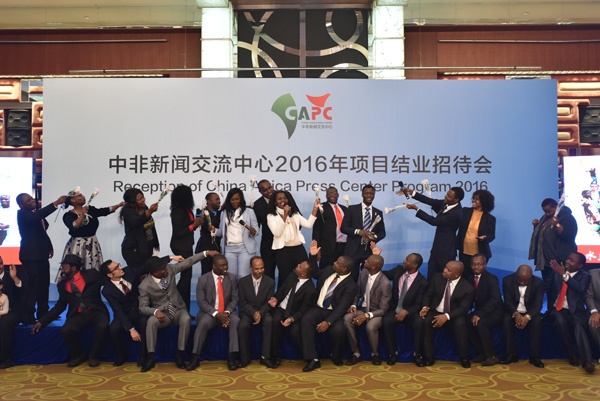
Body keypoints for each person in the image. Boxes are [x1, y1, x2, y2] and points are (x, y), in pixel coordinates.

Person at [138, 251, 215, 372]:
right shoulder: (144, 285)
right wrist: (155, 311)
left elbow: (188, 262)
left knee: (186, 319)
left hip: (178, 309)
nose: (166, 269)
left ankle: (180, 354)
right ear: (155, 272)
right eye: (163, 269)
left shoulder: (169, 269)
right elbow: (142, 307)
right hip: (163, 313)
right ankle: (151, 357)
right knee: (151, 322)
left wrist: (205, 253)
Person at [31, 254, 109, 367]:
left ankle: (94, 355)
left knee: (103, 326)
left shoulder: (92, 274)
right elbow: (60, 306)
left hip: (96, 311)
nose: (62, 270)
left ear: (74, 268)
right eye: (62, 267)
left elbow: (107, 281)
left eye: (64, 268)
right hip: (78, 314)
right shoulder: (62, 285)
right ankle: (78, 355)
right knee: (67, 330)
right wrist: (42, 321)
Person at [301, 241, 357, 372]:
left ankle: (335, 355)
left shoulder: (351, 286)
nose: (334, 263)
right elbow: (314, 273)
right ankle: (313, 359)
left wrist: (328, 322)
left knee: (339, 330)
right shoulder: (328, 270)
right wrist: (313, 256)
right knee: (306, 319)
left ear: (344, 268)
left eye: (337, 263)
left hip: (334, 313)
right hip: (318, 308)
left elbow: (342, 307)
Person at [17, 193, 67, 320]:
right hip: (31, 256)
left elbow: (42, 232)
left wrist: (49, 246)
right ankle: (28, 315)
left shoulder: (34, 214)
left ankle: (43, 312)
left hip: (41, 255)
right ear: (22, 204)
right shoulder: (22, 215)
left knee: (44, 285)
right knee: (33, 286)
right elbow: (38, 216)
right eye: (29, 200)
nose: (32, 200)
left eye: (32, 198)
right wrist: (56, 203)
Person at [188, 255, 240, 371]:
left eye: (226, 265)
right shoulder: (203, 279)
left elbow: (235, 299)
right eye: (222, 265)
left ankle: (232, 357)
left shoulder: (232, 278)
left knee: (236, 321)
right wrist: (216, 314)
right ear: (214, 266)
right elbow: (201, 302)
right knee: (203, 323)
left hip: (227, 312)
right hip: (209, 313)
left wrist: (226, 312)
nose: (225, 267)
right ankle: (195, 356)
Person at [420, 260, 474, 368]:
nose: (444, 270)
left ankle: (464, 357)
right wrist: (425, 307)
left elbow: (463, 308)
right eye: (445, 267)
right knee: (425, 321)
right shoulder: (437, 278)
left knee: (461, 324)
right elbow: (428, 295)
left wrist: (446, 316)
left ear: (456, 274)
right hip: (436, 311)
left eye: (448, 270)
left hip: (453, 314)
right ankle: (429, 356)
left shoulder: (467, 288)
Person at [402, 187, 463, 279]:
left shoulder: (456, 213)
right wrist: (412, 193)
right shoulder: (447, 202)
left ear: (456, 200)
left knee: (443, 277)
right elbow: (430, 201)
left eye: (449, 196)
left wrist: (417, 209)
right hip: (437, 247)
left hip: (447, 249)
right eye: (447, 193)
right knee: (431, 274)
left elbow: (434, 221)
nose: (445, 196)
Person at [548, 252, 594, 373]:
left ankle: (588, 361)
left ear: (580, 266)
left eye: (572, 260)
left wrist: (564, 275)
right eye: (568, 258)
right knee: (559, 321)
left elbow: (580, 289)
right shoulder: (557, 271)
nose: (568, 261)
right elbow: (546, 287)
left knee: (578, 326)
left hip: (575, 312)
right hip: (558, 310)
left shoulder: (584, 276)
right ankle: (572, 355)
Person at [381, 251, 428, 366]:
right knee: (386, 321)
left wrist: (406, 311)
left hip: (411, 311)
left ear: (415, 265)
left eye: (407, 260)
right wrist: (376, 257)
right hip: (395, 308)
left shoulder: (422, 282)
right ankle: (393, 353)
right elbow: (382, 274)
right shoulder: (398, 270)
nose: (404, 261)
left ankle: (417, 354)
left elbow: (418, 304)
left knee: (419, 322)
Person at [343, 253, 391, 366]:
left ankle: (375, 354)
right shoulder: (364, 272)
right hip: (363, 308)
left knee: (370, 326)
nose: (365, 261)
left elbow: (383, 309)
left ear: (374, 266)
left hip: (376, 312)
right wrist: (354, 305)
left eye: (368, 261)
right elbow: (357, 293)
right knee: (347, 318)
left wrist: (367, 315)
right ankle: (356, 353)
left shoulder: (385, 284)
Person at [529, 198, 577, 306]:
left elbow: (569, 236)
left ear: (556, 207)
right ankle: (550, 311)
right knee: (549, 289)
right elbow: (542, 235)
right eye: (545, 211)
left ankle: (559, 312)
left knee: (557, 288)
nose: (547, 214)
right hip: (546, 261)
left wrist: (557, 225)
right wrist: (536, 226)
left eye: (549, 211)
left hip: (559, 260)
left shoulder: (567, 217)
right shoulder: (545, 218)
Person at [268, 258, 317, 365]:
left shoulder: (310, 290)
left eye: (300, 266)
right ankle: (275, 356)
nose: (297, 264)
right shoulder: (292, 275)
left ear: (303, 274)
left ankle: (308, 357)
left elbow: (303, 310)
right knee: (275, 321)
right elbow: (281, 290)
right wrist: (275, 299)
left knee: (295, 332)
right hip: (281, 309)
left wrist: (292, 318)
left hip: (295, 314)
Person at [267, 190, 319, 288]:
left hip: (298, 249)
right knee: (285, 277)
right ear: (275, 202)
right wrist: (285, 215)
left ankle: (303, 296)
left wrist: (315, 209)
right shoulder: (271, 216)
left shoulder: (295, 213)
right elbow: (277, 233)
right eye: (279, 199)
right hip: (283, 251)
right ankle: (283, 297)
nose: (283, 200)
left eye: (284, 198)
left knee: (304, 274)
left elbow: (308, 225)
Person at [101, 259, 148, 367]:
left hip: (139, 310)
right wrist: (131, 329)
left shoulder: (129, 271)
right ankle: (121, 355)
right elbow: (118, 310)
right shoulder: (107, 290)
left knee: (145, 322)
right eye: (116, 268)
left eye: (118, 265)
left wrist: (170, 257)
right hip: (124, 313)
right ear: (109, 275)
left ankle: (143, 356)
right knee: (114, 328)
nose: (120, 268)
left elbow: (146, 266)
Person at [62, 193, 124, 272]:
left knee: (92, 265)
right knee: (76, 265)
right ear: (73, 200)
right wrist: (83, 214)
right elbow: (74, 226)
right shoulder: (68, 215)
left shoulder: (90, 210)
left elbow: (105, 211)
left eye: (83, 195)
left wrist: (119, 205)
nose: (84, 197)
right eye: (80, 196)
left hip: (92, 242)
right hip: (77, 245)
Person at [501, 264, 544, 368]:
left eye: (526, 282)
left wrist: (528, 317)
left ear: (531, 277)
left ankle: (535, 356)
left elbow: (538, 305)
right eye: (520, 280)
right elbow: (508, 301)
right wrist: (515, 313)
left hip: (530, 312)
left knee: (537, 321)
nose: (522, 283)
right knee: (506, 320)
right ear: (516, 274)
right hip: (513, 310)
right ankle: (511, 354)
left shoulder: (538, 283)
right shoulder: (507, 280)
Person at [340, 185, 386, 280]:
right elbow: (343, 228)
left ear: (374, 195)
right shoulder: (352, 209)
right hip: (353, 250)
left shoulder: (378, 213)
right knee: (351, 278)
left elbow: (382, 232)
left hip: (369, 251)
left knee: (368, 279)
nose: (369, 195)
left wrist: (374, 237)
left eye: (371, 193)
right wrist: (358, 231)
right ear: (362, 194)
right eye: (366, 193)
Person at [237, 256, 276, 368]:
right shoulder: (243, 282)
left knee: (269, 321)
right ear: (251, 268)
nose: (260, 271)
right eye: (257, 269)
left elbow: (269, 302)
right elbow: (242, 303)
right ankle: (245, 358)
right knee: (242, 326)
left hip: (264, 311)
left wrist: (260, 313)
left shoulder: (270, 282)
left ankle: (265, 357)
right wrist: (253, 313)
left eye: (262, 268)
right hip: (248, 311)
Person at [169, 185, 203, 311]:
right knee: (185, 278)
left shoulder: (187, 209)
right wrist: (193, 225)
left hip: (187, 245)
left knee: (186, 278)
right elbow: (178, 232)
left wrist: (196, 224)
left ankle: (184, 309)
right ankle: (178, 306)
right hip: (180, 247)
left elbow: (189, 226)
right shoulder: (178, 211)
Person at [212, 188, 258, 278]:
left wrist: (253, 232)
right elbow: (222, 232)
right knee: (230, 276)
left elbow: (256, 229)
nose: (235, 201)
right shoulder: (224, 213)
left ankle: (243, 288)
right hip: (229, 249)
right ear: (229, 200)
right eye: (232, 199)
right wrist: (214, 231)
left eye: (237, 199)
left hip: (245, 248)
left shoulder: (249, 211)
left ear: (241, 199)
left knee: (243, 275)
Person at [467, 254, 503, 366]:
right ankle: (482, 352)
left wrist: (479, 314)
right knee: (465, 321)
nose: (476, 267)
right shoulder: (469, 278)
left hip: (495, 311)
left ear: (485, 265)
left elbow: (495, 299)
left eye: (479, 264)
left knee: (480, 323)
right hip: (480, 310)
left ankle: (492, 356)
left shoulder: (492, 278)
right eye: (473, 264)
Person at [456, 190, 496, 277]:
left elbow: (492, 235)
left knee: (478, 277)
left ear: (484, 201)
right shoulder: (465, 211)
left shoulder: (490, 218)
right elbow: (451, 216)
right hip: (464, 252)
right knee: (465, 276)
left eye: (476, 199)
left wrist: (485, 237)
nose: (473, 200)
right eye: (473, 198)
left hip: (480, 254)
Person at [0, 259, 30, 369]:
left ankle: (6, 358)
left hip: (13, 312)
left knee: (4, 323)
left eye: (0, 263)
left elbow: (25, 293)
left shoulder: (11, 276)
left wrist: (15, 278)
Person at [119, 188, 159, 269]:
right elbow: (136, 222)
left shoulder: (144, 208)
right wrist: (150, 211)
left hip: (146, 248)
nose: (143, 200)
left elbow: (151, 226)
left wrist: (155, 242)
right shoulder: (127, 212)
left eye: (142, 197)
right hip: (134, 251)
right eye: (139, 199)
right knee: (138, 274)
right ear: (132, 202)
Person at [312, 186, 347, 269]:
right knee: (326, 272)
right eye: (329, 193)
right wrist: (317, 248)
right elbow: (316, 229)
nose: (332, 195)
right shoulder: (321, 207)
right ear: (326, 196)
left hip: (344, 247)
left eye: (334, 193)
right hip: (328, 249)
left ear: (338, 194)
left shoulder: (344, 209)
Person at [252, 180, 277, 280]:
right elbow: (256, 227)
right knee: (268, 274)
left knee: (285, 273)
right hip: (268, 244)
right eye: (265, 190)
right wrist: (252, 231)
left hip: (285, 243)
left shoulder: (283, 197)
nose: (269, 191)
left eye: (270, 188)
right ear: (260, 191)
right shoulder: (257, 205)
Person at [195, 192, 222, 275]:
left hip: (218, 248)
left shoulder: (222, 213)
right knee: (207, 274)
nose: (219, 201)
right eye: (216, 199)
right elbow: (202, 226)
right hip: (206, 248)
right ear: (209, 201)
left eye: (219, 199)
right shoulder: (201, 213)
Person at [586, 267, 600, 361]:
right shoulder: (593, 274)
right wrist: (594, 311)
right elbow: (588, 296)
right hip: (597, 310)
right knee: (593, 324)